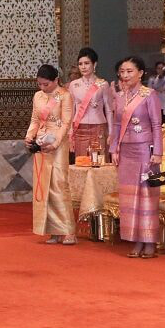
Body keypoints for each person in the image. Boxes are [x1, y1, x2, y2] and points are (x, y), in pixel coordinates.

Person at [109, 56, 164, 258]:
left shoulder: (149, 95)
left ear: (140, 73)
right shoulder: (119, 96)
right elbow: (116, 125)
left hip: (145, 151)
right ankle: (136, 240)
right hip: (126, 151)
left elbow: (157, 125)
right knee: (129, 197)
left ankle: (149, 241)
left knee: (146, 196)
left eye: (130, 71)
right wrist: (114, 149)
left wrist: (157, 152)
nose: (125, 75)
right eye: (122, 71)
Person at [24, 64, 76, 245]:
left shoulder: (65, 96)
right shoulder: (38, 96)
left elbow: (66, 123)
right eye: (39, 84)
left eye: (46, 84)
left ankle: (68, 230)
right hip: (41, 142)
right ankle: (52, 230)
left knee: (59, 185)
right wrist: (29, 136)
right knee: (43, 185)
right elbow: (35, 119)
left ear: (56, 80)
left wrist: (55, 143)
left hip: (58, 144)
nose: (42, 88)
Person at [67, 47, 113, 163]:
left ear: (94, 64)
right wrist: (70, 131)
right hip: (80, 129)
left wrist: (111, 132)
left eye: (87, 63)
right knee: (81, 162)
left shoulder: (103, 84)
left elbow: (108, 110)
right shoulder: (73, 85)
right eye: (80, 64)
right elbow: (71, 110)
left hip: (98, 128)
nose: (83, 67)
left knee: (99, 162)